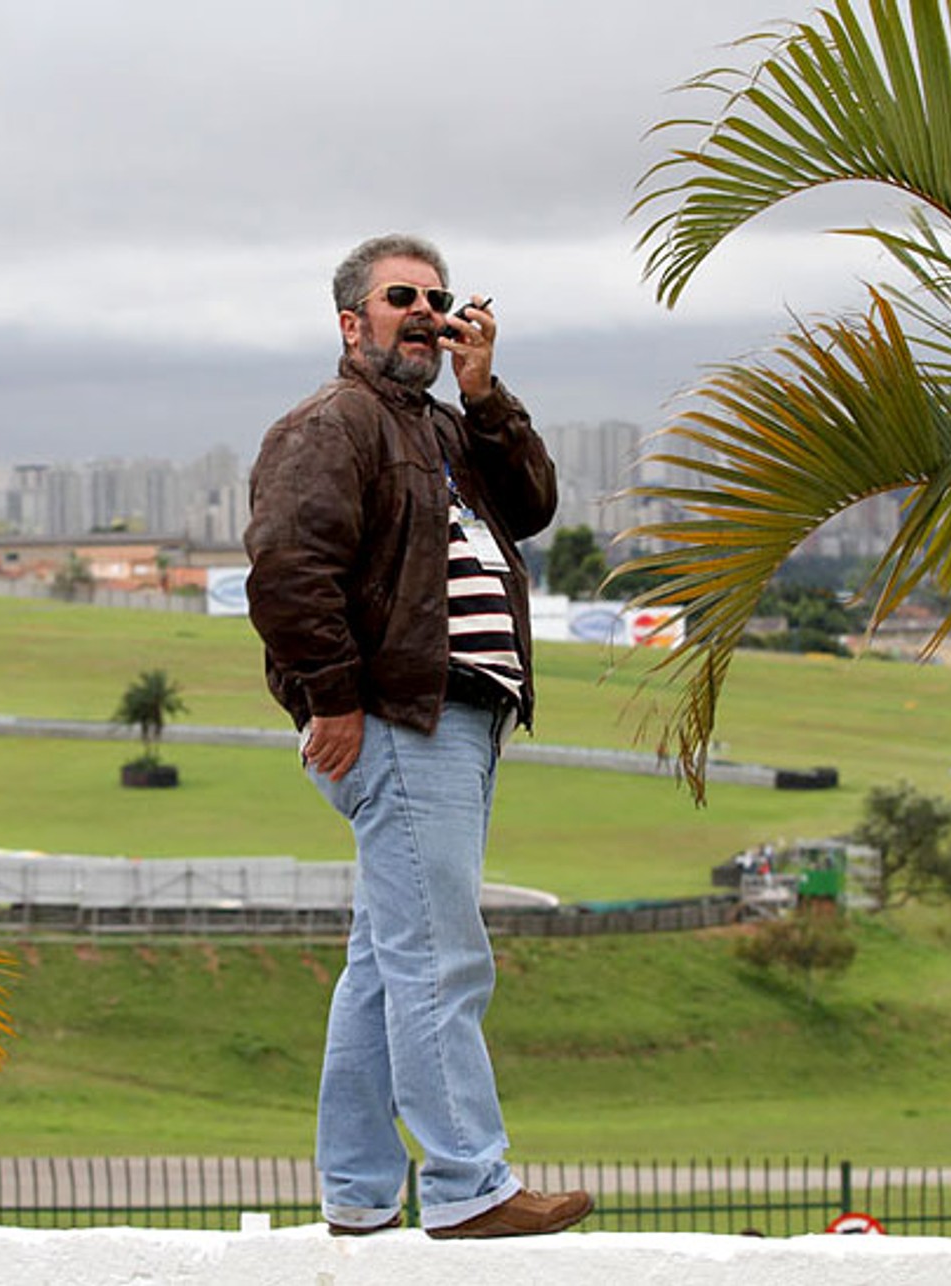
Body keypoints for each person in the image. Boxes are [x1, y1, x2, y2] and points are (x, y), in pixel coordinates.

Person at [244, 233, 591, 1239]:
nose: (424, 310)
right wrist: (334, 697)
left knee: (383, 961)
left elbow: (530, 505)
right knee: (438, 953)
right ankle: (466, 1183)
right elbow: (287, 569)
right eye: (401, 296)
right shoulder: (332, 422)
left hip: (461, 718)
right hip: (400, 715)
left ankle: (356, 1193)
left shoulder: (442, 426)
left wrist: (486, 394)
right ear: (351, 321)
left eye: (437, 297)